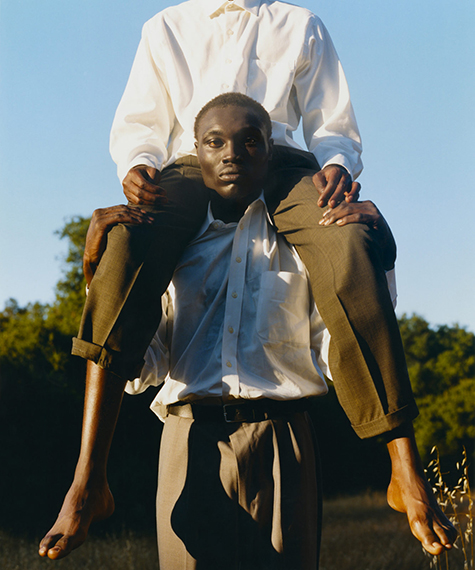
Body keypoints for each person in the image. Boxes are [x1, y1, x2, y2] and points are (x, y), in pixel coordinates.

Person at [39, 95, 456, 567]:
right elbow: (143, 366)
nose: (232, 153)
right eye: (215, 143)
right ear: (196, 154)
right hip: (188, 441)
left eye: (250, 142)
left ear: (272, 153)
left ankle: (405, 472)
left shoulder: (305, 244)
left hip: (283, 442)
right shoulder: (171, 248)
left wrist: (379, 256)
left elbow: (338, 348)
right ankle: (88, 481)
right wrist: (96, 274)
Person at [70, 0, 410, 448]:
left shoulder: (300, 23)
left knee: (348, 239)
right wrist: (137, 163)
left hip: (281, 162)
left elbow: (331, 119)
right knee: (125, 243)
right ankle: (88, 477)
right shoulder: (165, 27)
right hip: (193, 164)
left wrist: (337, 163)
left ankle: (402, 464)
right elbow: (140, 122)